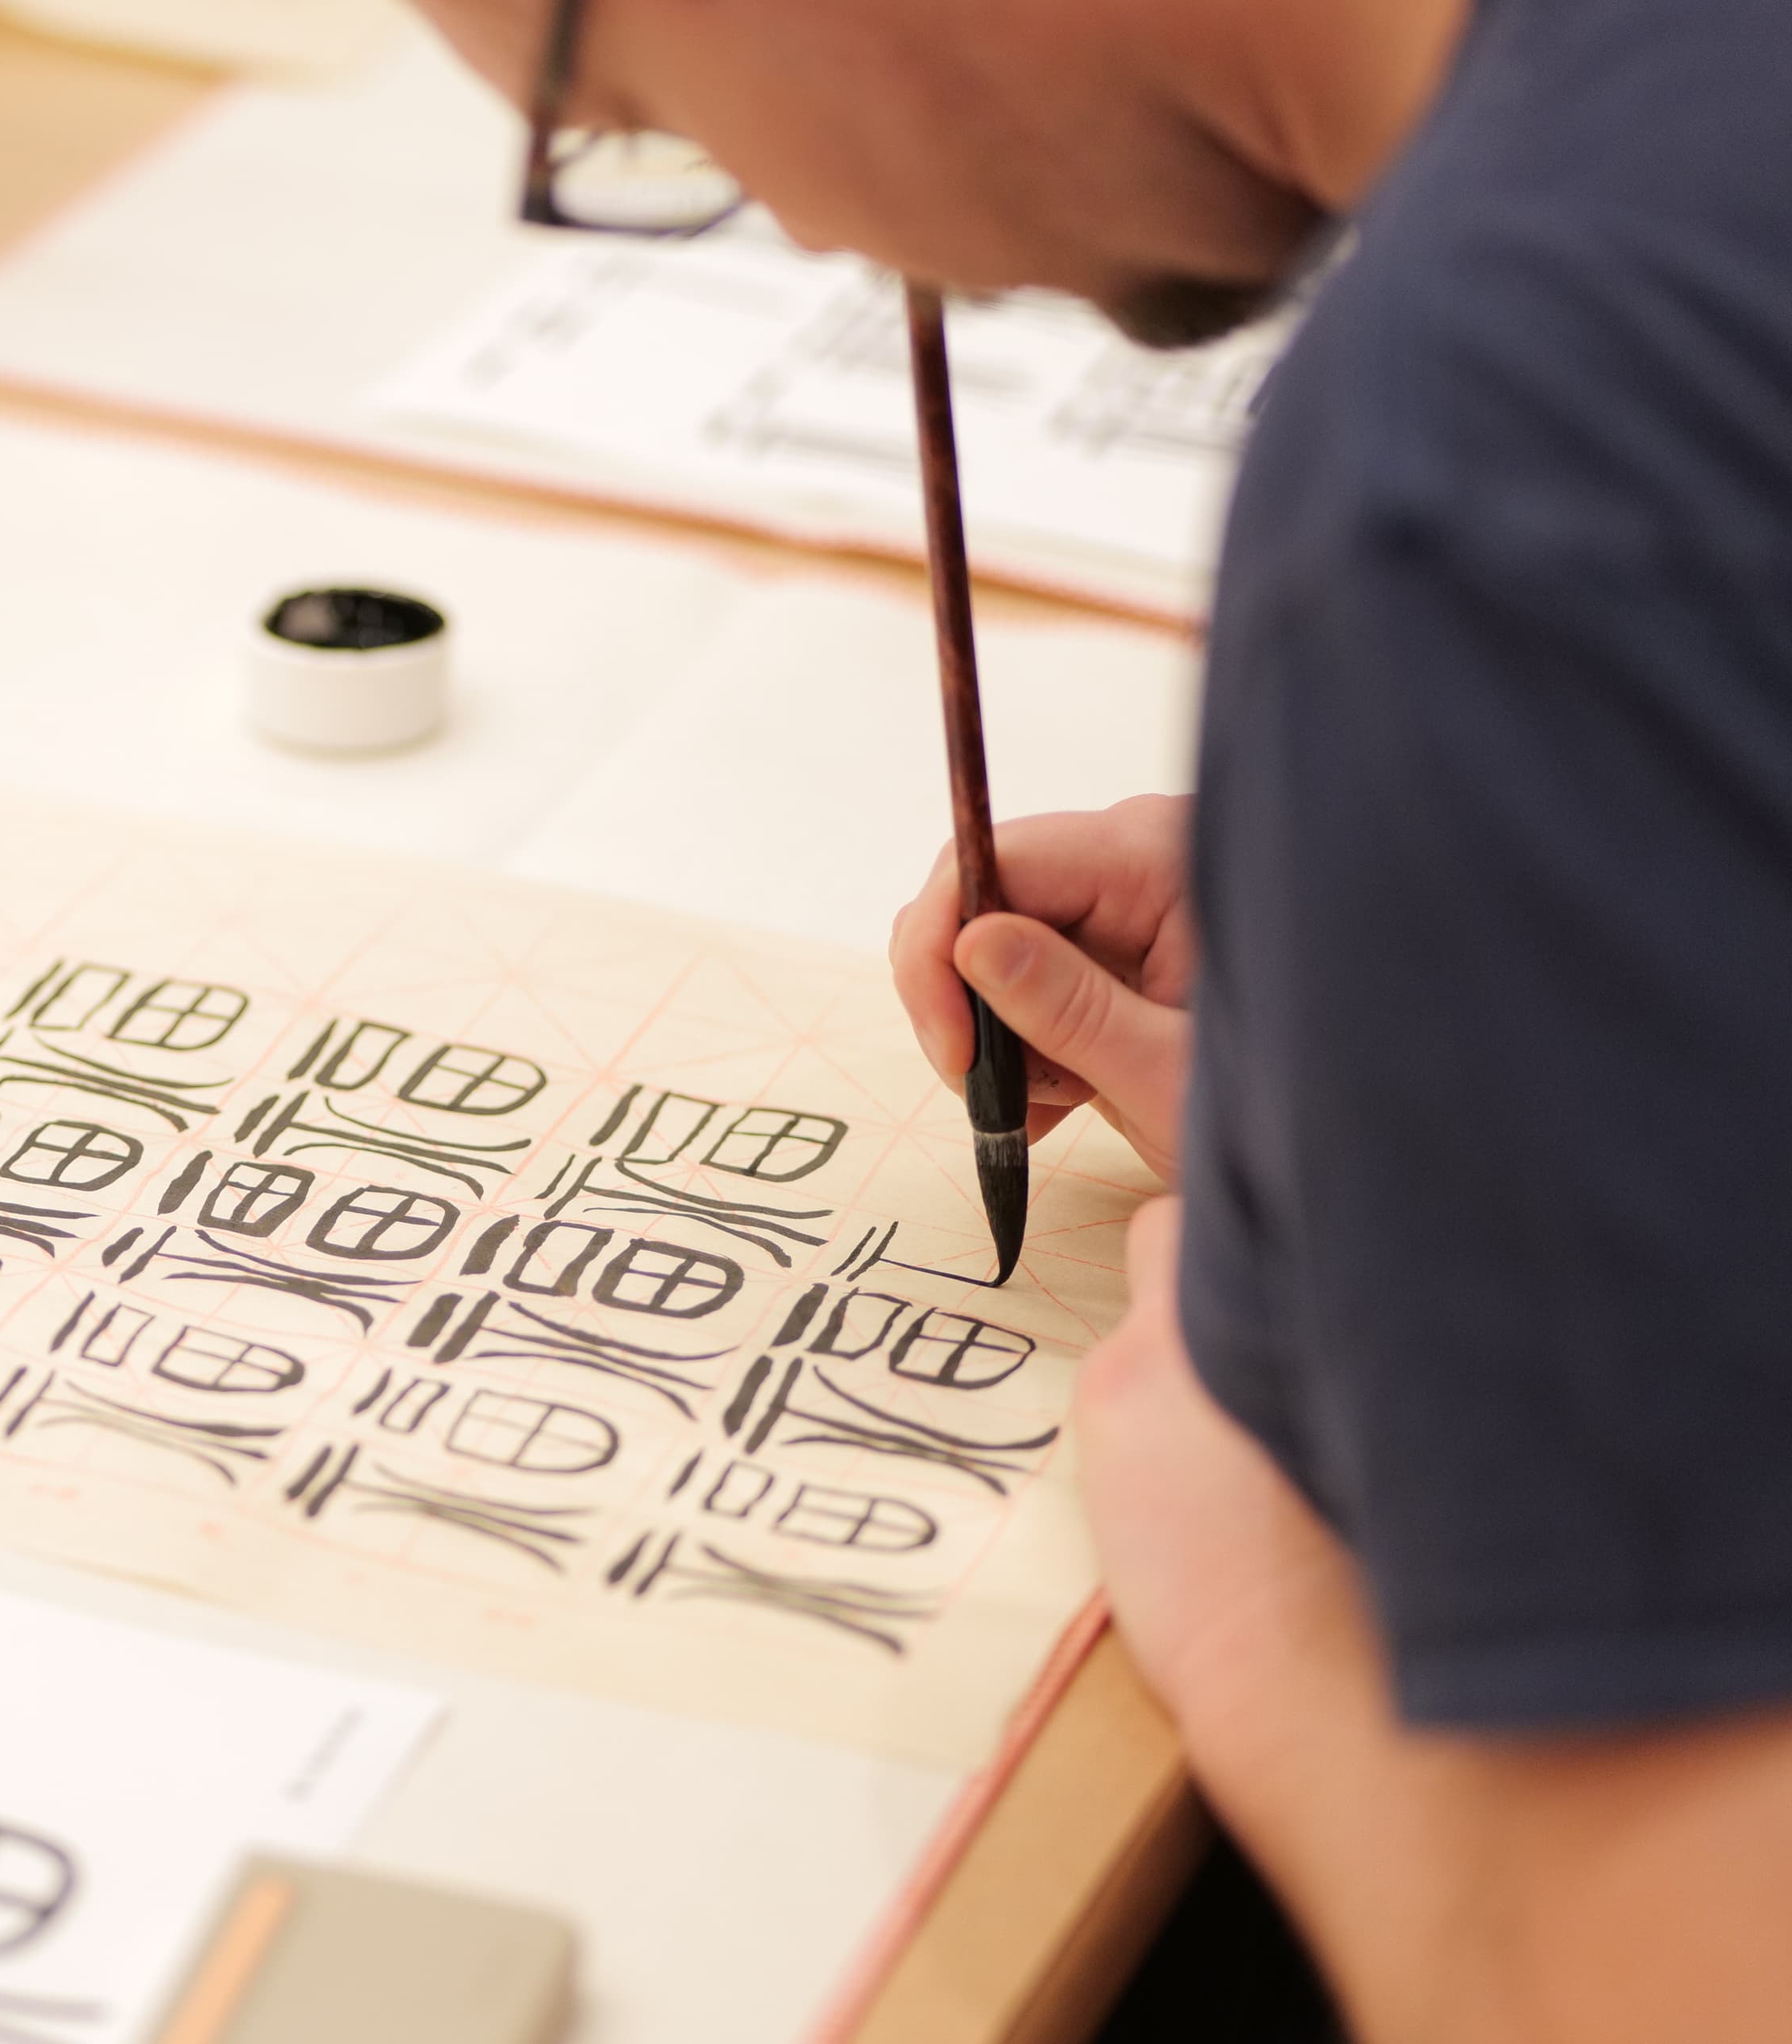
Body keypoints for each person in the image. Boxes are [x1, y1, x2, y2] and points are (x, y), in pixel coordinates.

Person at [413, 0, 1792, 2034]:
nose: (793, 226)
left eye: (632, 118)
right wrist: (1517, 910)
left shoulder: (1495, 437)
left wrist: (1260, 1617)